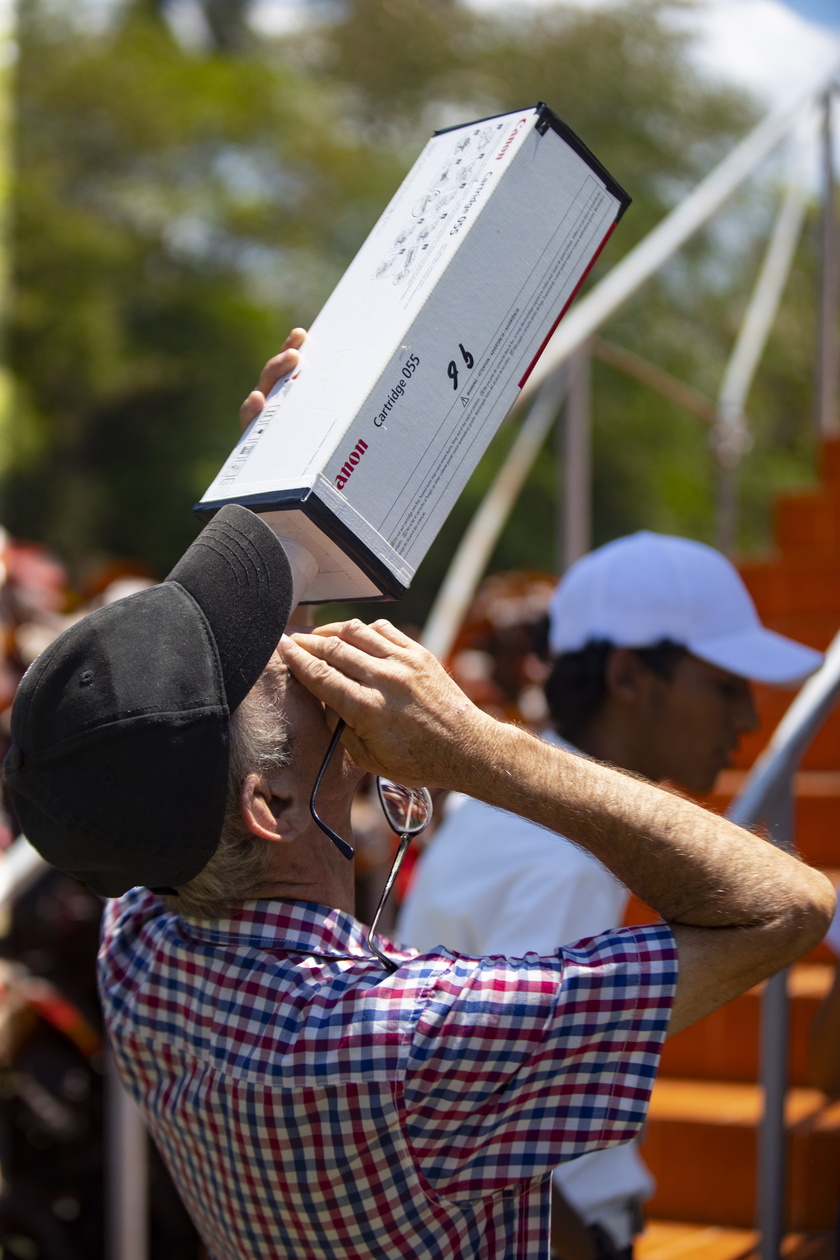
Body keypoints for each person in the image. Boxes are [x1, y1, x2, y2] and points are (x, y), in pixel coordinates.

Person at [2, 348, 833, 1260]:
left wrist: (278, 482)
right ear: (268, 804)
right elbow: (789, 906)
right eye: (273, 658)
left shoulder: (142, 946)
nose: (303, 647)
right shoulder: (412, 1050)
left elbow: (160, 742)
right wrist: (481, 748)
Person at [397, 530, 824, 1260]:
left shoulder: (514, 816)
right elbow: (500, 1133)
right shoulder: (568, 856)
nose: (749, 719)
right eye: (725, 685)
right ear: (627, 675)